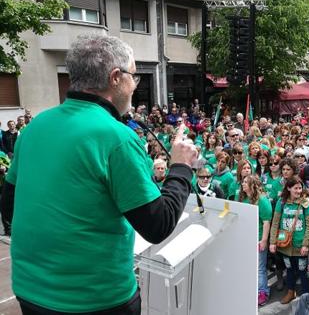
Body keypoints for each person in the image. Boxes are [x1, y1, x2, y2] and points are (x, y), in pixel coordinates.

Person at [0, 34, 198, 314]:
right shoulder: (116, 138)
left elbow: (8, 206)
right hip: (96, 300)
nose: (135, 86)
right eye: (135, 76)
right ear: (115, 77)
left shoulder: (35, 126)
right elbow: (158, 224)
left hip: (30, 291)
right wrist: (181, 167)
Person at [269, 176, 309, 304]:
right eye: (295, 188)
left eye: (300, 188)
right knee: (289, 269)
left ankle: (306, 297)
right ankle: (291, 293)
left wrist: (306, 244)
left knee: (302, 271)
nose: (299, 191)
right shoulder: (281, 202)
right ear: (288, 188)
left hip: (300, 245)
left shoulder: (306, 202)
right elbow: (275, 223)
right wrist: (273, 242)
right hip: (285, 244)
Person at [238, 175, 273, 306]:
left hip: (257, 238)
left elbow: (266, 222)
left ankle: (263, 292)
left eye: (246, 182)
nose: (243, 184)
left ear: (253, 185)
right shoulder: (243, 197)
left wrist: (263, 240)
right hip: (246, 238)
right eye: (243, 181)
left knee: (259, 268)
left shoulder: (262, 200)